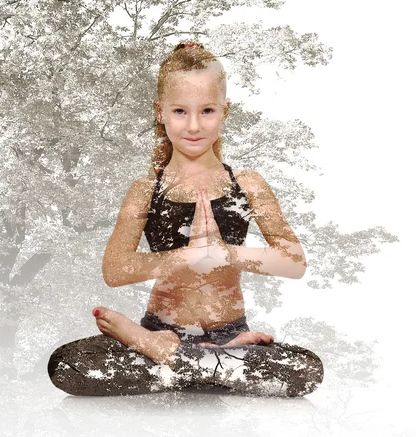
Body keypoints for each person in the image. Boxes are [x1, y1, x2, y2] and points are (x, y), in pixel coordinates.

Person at [47, 41, 324, 397]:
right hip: (164, 327)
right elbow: (115, 270)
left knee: (307, 370)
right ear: (160, 112)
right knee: (69, 365)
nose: (194, 125)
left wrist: (226, 254)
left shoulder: (249, 184)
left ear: (225, 111)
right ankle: (212, 364)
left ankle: (173, 359)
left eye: (207, 110)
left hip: (228, 332)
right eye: (180, 111)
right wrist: (187, 256)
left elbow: (294, 262)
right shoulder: (146, 189)